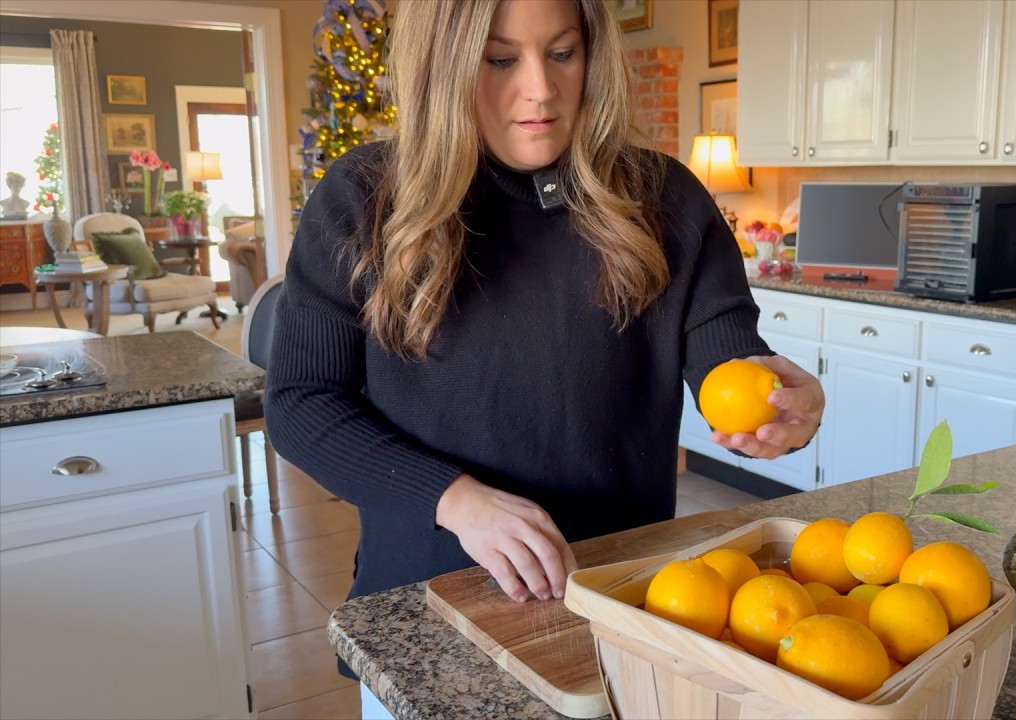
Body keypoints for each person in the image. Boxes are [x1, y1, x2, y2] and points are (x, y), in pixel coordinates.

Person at [266, 0, 824, 664]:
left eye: (562, 53)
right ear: (439, 68)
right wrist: (454, 500)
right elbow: (302, 402)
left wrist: (776, 406)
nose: (540, 88)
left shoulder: (666, 198)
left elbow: (725, 351)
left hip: (623, 596)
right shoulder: (363, 197)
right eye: (500, 60)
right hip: (428, 596)